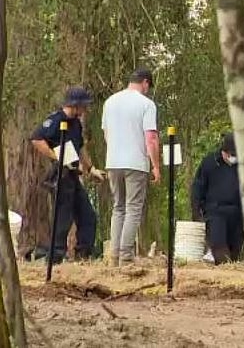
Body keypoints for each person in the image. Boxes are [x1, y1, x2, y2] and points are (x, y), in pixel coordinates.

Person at [30, 87, 106, 263]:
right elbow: (36, 139)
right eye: (83, 106)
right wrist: (56, 156)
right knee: (63, 217)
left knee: (88, 215)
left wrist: (91, 168)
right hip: (61, 175)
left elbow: (80, 148)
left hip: (73, 174)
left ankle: (84, 253)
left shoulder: (76, 123)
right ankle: (55, 256)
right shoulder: (56, 120)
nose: (85, 110)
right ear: (75, 105)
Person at [102, 68, 160, 267]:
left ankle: (114, 255)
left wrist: (115, 153)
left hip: (113, 162)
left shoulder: (110, 102)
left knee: (118, 207)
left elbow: (106, 134)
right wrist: (156, 165)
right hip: (135, 162)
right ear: (145, 83)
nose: (147, 90)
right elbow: (151, 138)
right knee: (133, 208)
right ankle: (126, 255)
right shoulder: (146, 104)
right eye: (148, 86)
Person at [191, 133, 243, 265]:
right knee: (219, 248)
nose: (233, 158)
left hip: (237, 212)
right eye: (231, 155)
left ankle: (231, 276)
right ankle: (223, 267)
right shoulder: (209, 163)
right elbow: (198, 188)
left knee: (235, 250)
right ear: (224, 152)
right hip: (215, 211)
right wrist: (197, 212)